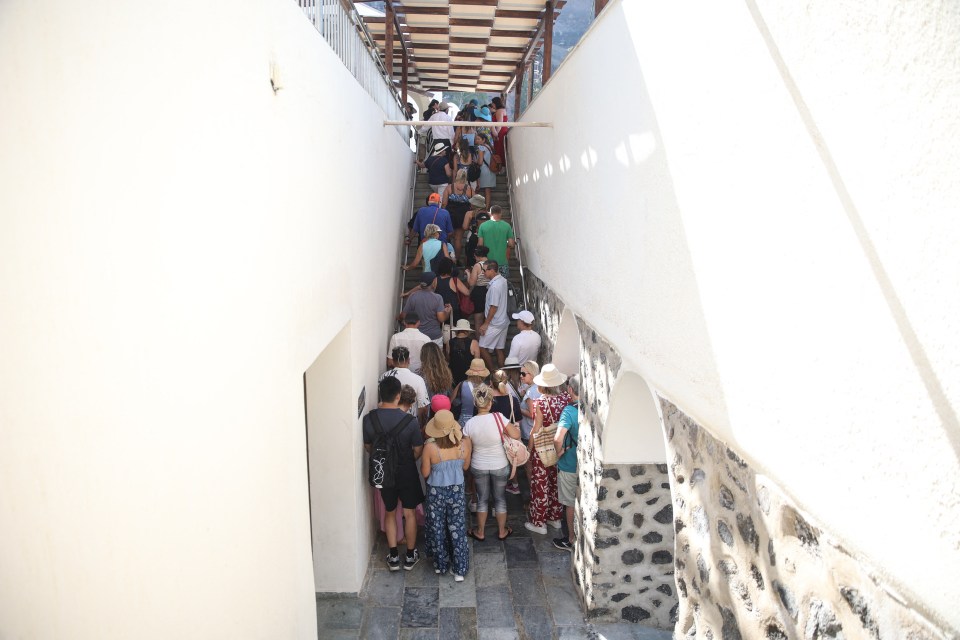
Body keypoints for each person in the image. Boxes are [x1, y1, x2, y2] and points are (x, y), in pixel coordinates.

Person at [363, 376, 425, 571]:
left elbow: (368, 447)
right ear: (398, 396)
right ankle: (410, 555)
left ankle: (392, 556)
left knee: (389, 512)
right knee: (410, 513)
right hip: (406, 471)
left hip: (384, 473)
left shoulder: (369, 419)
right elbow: (418, 449)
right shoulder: (410, 421)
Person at [463, 384, 520, 541]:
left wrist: (465, 467)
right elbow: (515, 434)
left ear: (476, 403)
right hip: (500, 464)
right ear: (490, 403)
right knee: (500, 498)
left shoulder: (469, 424)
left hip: (478, 465)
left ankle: (480, 531)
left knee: (482, 499)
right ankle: (502, 531)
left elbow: (467, 449)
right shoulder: (499, 418)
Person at [421, 410, 472, 580]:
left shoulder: (430, 448)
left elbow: (425, 473)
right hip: (457, 490)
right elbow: (465, 468)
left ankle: (440, 565)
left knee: (437, 527)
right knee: (457, 527)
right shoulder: (464, 444)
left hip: (436, 492)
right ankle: (460, 569)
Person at [525, 364, 569, 535]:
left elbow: (536, 429)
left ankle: (539, 522)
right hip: (561, 445)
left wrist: (529, 448)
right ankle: (555, 518)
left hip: (543, 447)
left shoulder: (540, 403)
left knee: (540, 483)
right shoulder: (565, 398)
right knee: (555, 481)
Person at [553, 375, 581, 551]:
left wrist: (558, 452)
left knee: (570, 503)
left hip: (569, 464)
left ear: (570, 390)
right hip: (584, 464)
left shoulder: (569, 411)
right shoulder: (589, 408)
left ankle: (570, 539)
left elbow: (558, 438)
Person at [491, 368, 524, 496]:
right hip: (509, 435)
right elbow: (518, 420)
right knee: (511, 459)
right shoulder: (513, 400)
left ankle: (496, 488)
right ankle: (514, 485)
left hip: (493, 436)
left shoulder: (488, 401)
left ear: (491, 382)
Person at [380, 346, 430, 425]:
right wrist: (421, 425)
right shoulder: (418, 380)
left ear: (393, 361)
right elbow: (423, 407)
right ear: (409, 360)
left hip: (387, 422)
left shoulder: (384, 377)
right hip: (410, 423)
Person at [401, 272, 451, 346]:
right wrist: (448, 312)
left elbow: (404, 315)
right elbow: (441, 318)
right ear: (433, 282)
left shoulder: (413, 296)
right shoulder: (437, 298)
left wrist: (398, 318)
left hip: (418, 337)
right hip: (434, 337)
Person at [478, 260, 509, 371]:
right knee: (499, 349)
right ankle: (503, 374)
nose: (482, 273)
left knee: (481, 347)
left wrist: (486, 324)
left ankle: (492, 372)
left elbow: (494, 307)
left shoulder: (495, 287)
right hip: (503, 321)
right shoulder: (503, 280)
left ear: (492, 270)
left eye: (484, 270)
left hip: (495, 323)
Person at [442, 169, 473, 259]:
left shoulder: (449, 187)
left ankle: (447, 258)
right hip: (463, 216)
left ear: (457, 176)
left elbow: (444, 203)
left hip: (450, 215)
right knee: (458, 239)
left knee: (447, 236)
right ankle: (457, 260)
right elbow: (474, 203)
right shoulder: (469, 189)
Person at [477, 205, 515, 278]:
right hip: (502, 262)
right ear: (501, 213)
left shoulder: (483, 226)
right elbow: (511, 244)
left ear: (490, 213)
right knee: (503, 285)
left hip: (488, 264)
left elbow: (480, 244)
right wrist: (505, 242)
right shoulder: (507, 226)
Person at [434, 257, 471, 326]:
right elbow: (467, 293)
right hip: (454, 311)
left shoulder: (435, 280)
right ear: (450, 269)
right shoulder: (454, 280)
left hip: (440, 310)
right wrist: (468, 276)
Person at [447, 319, 479, 386]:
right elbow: (477, 362)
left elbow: (448, 358)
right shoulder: (474, 343)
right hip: (468, 377)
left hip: (453, 375)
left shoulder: (449, 342)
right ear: (467, 331)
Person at [474, 130, 496, 207]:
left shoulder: (481, 148)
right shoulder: (489, 147)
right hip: (491, 170)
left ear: (483, 140)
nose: (476, 140)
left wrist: (475, 161)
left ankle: (483, 208)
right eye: (476, 139)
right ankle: (487, 207)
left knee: (480, 189)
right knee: (488, 190)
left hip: (484, 170)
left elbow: (480, 162)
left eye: (478, 139)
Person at [491, 96, 509, 170]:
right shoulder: (502, 110)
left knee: (499, 149)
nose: (492, 105)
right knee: (500, 149)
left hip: (500, 132)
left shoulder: (499, 111)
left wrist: (496, 134)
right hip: (502, 131)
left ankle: (499, 167)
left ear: (495, 103)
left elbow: (499, 124)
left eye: (493, 103)